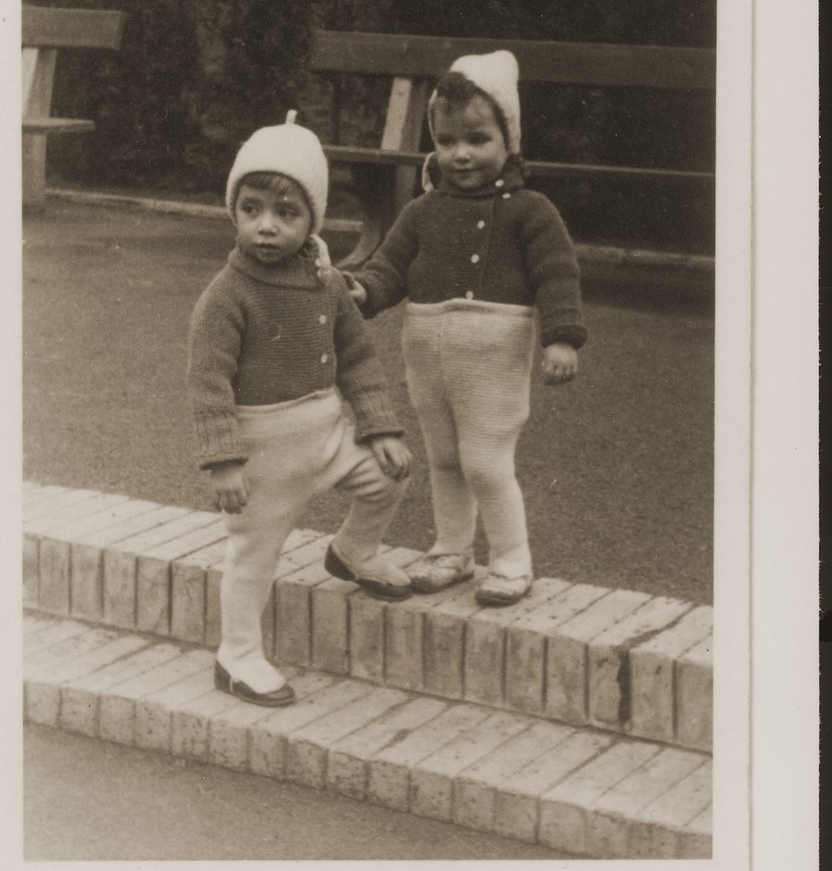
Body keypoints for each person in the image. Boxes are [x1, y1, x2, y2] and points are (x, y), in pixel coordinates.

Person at [345, 51, 587, 607]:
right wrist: (365, 290)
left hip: (493, 355)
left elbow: (556, 273)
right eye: (447, 140)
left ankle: (511, 558)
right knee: (446, 459)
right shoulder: (423, 211)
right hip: (427, 353)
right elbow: (390, 264)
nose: (460, 154)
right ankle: (453, 549)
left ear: (510, 141)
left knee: (485, 460)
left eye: (478, 139)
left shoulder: (531, 211)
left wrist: (561, 336)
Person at [188, 112, 413, 708]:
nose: (266, 226)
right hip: (264, 448)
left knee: (389, 476)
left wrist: (380, 425)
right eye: (251, 209)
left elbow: (358, 357)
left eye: (286, 213)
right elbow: (208, 384)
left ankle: (354, 552)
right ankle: (236, 655)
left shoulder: (327, 282)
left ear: (313, 218)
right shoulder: (226, 295)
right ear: (233, 211)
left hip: (327, 431)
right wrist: (223, 462)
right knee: (253, 553)